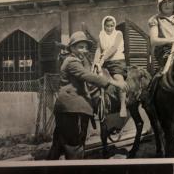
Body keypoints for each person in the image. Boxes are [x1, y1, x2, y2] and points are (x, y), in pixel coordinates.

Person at [47, 31, 128, 160]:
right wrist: (114, 83)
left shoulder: (76, 60)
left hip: (67, 109)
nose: (84, 50)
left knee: (57, 146)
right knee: (75, 147)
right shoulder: (72, 62)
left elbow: (86, 71)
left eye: (86, 47)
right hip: (73, 110)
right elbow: (87, 76)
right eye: (80, 47)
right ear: (72, 48)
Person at [93, 16, 128, 117]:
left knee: (119, 80)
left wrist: (103, 59)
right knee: (96, 77)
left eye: (112, 26)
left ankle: (123, 106)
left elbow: (114, 48)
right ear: (103, 26)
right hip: (104, 62)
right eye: (107, 26)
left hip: (117, 61)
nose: (109, 28)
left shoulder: (118, 34)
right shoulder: (101, 35)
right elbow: (98, 50)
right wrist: (96, 62)